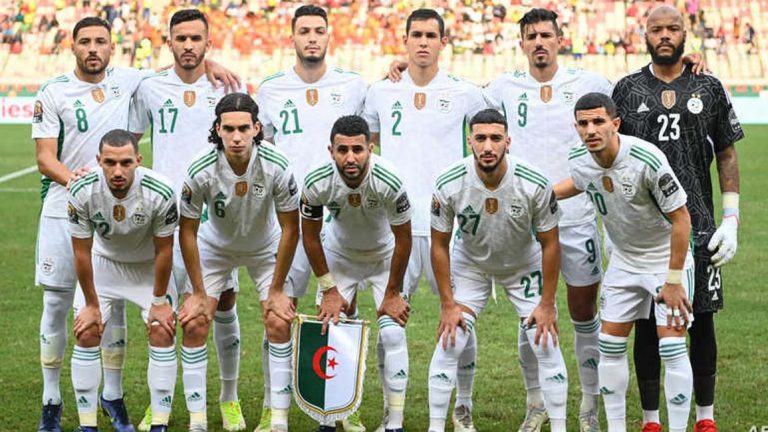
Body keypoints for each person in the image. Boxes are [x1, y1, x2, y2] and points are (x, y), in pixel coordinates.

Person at [32, 15, 237, 432]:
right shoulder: (53, 91)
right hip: (65, 204)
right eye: (85, 41)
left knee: (127, 306)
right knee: (58, 304)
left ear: (113, 47)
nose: (93, 48)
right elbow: (44, 158)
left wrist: (208, 64)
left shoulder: (131, 80)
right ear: (72, 46)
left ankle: (113, 396)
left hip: (133, 209)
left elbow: (183, 64)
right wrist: (79, 182)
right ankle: (51, 399)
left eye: (100, 42)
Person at [611, 6, 743, 432]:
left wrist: (732, 218)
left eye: (673, 28)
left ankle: (705, 418)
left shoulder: (709, 85)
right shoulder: (626, 90)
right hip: (645, 231)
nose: (664, 35)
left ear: (686, 34)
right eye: (657, 29)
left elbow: (726, 152)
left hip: (700, 225)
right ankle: (651, 420)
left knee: (701, 320)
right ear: (644, 34)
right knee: (648, 323)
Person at [482, 10, 612, 430]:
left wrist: (687, 65)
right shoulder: (501, 88)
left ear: (560, 39)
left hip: (576, 218)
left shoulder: (590, 83)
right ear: (521, 43)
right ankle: (535, 403)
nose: (539, 42)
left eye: (545, 35)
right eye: (531, 36)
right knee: (531, 314)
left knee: (583, 312)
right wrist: (400, 69)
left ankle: (589, 406)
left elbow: (635, 94)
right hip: (524, 225)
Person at [362, 9, 486, 430]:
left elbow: (493, 135)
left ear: (443, 42)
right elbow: (363, 144)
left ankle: (463, 408)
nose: (423, 42)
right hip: (395, 227)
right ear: (405, 39)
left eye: (431, 36)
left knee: (460, 320)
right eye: (416, 35)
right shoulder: (380, 92)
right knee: (390, 324)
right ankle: (392, 414)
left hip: (448, 229)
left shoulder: (465, 93)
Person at [128, 9, 245, 431]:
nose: (189, 45)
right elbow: (129, 142)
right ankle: (159, 403)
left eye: (197, 39)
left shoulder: (228, 87)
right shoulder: (150, 87)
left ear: (208, 43)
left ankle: (229, 399)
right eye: (181, 38)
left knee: (222, 304)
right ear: (169, 43)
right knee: (160, 311)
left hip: (215, 220)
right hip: (163, 218)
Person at [254, 6, 367, 429]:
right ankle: (273, 407)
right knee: (278, 312)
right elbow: (261, 148)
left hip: (338, 220)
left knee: (342, 310)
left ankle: (341, 408)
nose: (312, 37)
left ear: (329, 36)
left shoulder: (354, 85)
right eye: (304, 31)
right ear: (293, 38)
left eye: (319, 30)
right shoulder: (270, 89)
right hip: (287, 219)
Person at [555, 92, 695, 432]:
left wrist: (673, 280)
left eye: (598, 121)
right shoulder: (579, 158)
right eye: (583, 123)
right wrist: (541, 195)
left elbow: (682, 219)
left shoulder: (647, 159)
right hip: (623, 260)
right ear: (576, 127)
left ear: (615, 123)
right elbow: (580, 182)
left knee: (672, 348)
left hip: (664, 260)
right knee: (609, 345)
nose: (591, 130)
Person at [428, 109, 568, 432]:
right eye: (480, 138)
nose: (488, 146)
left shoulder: (534, 182)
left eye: (495, 138)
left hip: (523, 264)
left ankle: (554, 422)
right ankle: (440, 424)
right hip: (472, 265)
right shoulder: (449, 182)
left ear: (508, 141)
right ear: (470, 142)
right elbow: (439, 245)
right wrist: (448, 304)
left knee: (544, 341)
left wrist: (547, 304)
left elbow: (550, 244)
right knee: (450, 339)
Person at [178, 93, 299, 432]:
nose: (236, 137)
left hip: (264, 247)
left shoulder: (277, 164)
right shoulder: (200, 168)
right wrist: (197, 292)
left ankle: (276, 417)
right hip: (215, 248)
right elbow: (187, 231)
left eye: (243, 128)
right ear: (217, 129)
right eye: (228, 129)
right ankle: (207, 415)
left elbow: (291, 228)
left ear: (256, 128)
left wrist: (277, 289)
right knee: (195, 322)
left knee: (278, 320)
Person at [300, 115, 412, 432]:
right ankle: (331, 416)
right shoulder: (316, 181)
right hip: (340, 257)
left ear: (370, 149)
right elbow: (310, 237)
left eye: (358, 150)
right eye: (342, 150)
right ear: (331, 151)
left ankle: (395, 422)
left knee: (392, 333)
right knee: (331, 329)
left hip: (384, 257)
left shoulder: (389, 179)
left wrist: (392, 293)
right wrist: (329, 289)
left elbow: (404, 239)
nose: (350, 158)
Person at [67, 129, 179, 432]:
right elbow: (81, 252)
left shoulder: (161, 190)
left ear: (138, 160)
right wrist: (91, 304)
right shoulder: (81, 189)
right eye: (110, 162)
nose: (118, 171)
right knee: (86, 331)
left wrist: (159, 302)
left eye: (126, 163)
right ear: (98, 160)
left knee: (162, 330)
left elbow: (165, 250)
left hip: (148, 267)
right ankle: (88, 425)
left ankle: (159, 424)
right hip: (104, 264)